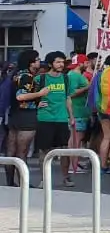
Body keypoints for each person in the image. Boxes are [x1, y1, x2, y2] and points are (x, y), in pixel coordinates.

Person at [33, 52, 74, 188]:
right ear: (50, 64)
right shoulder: (41, 79)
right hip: (45, 118)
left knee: (64, 150)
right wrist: (36, 103)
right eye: (58, 62)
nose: (61, 64)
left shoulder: (66, 79)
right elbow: (30, 95)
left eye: (62, 62)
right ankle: (44, 179)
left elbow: (68, 98)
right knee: (44, 150)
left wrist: (71, 117)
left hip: (61, 118)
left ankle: (66, 177)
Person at [8, 49, 41, 170]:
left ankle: (11, 183)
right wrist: (40, 93)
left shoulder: (16, 74)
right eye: (37, 60)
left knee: (12, 149)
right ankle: (22, 183)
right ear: (30, 62)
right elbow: (20, 96)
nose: (39, 62)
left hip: (14, 114)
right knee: (22, 150)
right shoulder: (27, 76)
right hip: (26, 115)